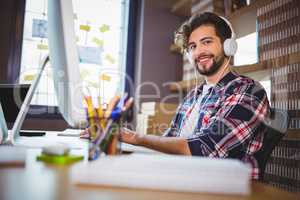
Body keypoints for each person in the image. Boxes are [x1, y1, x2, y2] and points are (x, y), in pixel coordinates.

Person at [82, 12, 270, 179]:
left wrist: (137, 138)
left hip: (224, 187)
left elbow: (206, 149)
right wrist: (111, 135)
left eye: (207, 42)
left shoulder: (248, 91)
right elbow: (168, 140)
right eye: (192, 46)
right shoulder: (194, 95)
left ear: (228, 46)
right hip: (186, 177)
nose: (199, 51)